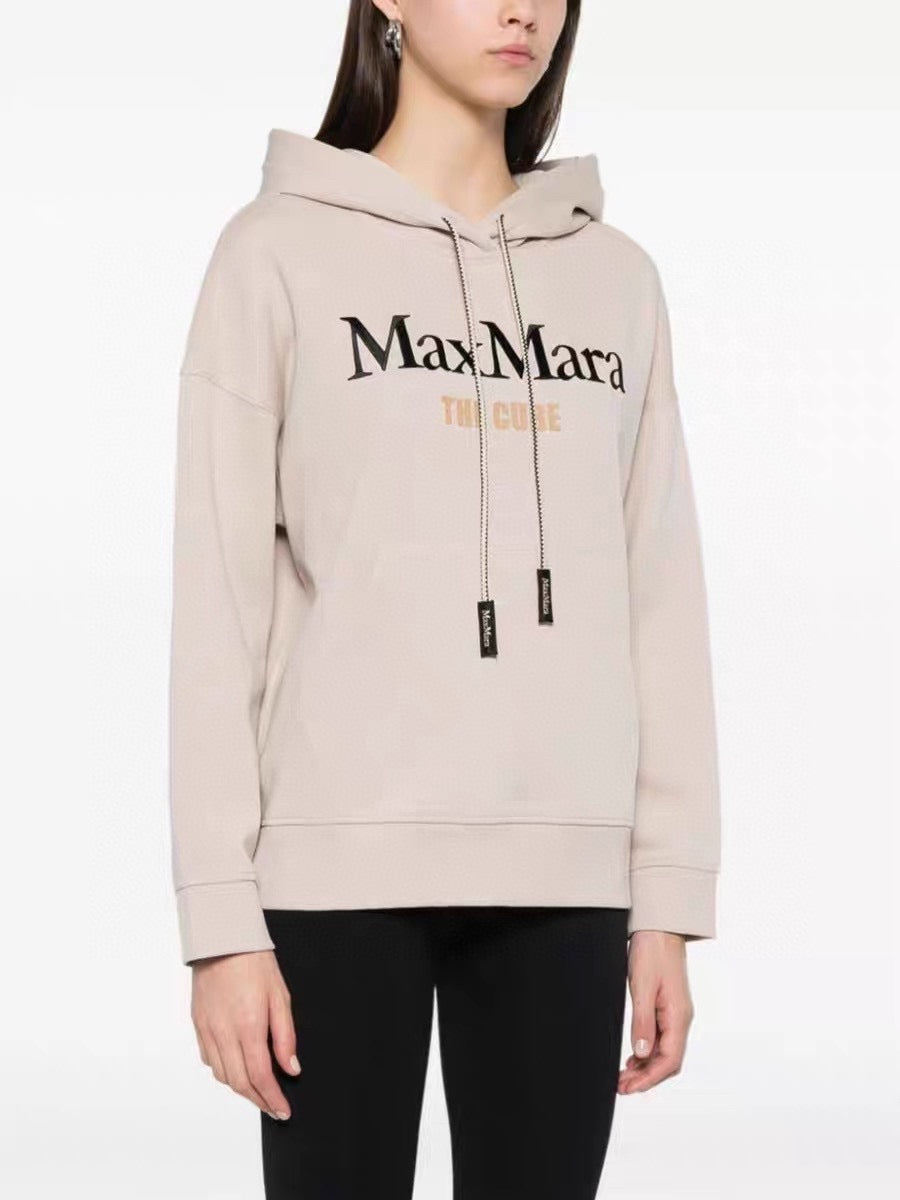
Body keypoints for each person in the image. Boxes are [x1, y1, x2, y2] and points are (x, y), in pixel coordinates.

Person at [167, 1, 722, 1196]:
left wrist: (668, 899)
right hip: (334, 874)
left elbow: (660, 598)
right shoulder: (276, 253)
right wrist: (219, 922)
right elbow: (218, 607)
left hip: (569, 876)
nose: (524, 9)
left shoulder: (616, 280)